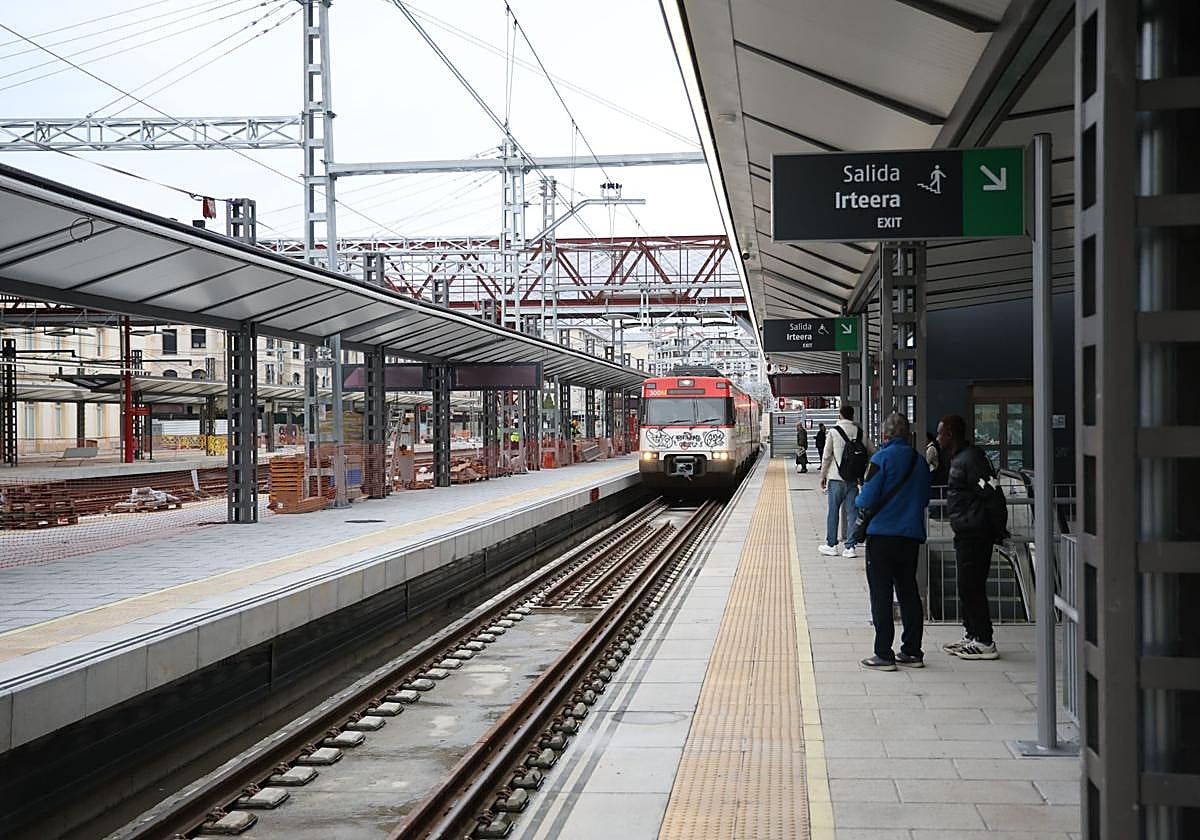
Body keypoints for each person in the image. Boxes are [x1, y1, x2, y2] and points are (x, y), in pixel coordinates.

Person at [855, 412, 931, 670]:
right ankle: (912, 650)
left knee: (881, 594)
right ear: (908, 435)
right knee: (909, 592)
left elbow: (864, 501)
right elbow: (924, 499)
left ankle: (883, 653)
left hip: (882, 537)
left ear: (885, 434)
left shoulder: (880, 459)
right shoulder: (919, 462)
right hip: (910, 537)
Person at [937, 414, 1001, 660]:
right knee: (966, 586)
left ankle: (984, 640)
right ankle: (972, 634)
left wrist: (998, 528)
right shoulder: (961, 458)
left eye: (941, 432)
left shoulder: (971, 460)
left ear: (951, 434)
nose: (938, 436)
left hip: (976, 533)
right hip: (967, 531)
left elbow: (991, 493)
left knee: (972, 586)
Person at [819, 405, 871, 558]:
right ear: (853, 416)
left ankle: (831, 545)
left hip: (835, 478)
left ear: (840, 415)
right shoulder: (860, 432)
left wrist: (823, 476)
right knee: (852, 512)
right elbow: (873, 452)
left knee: (833, 512)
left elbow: (827, 456)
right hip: (853, 480)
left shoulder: (833, 432)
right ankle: (850, 547)